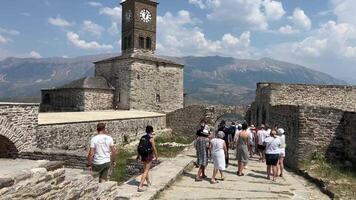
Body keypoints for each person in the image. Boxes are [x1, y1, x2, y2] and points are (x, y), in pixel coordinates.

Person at [137, 125, 158, 192]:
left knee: (145, 169)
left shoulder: (142, 137)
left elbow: (139, 147)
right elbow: (154, 148)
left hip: (143, 155)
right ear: (151, 131)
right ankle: (140, 186)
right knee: (146, 170)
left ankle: (148, 182)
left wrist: (138, 155)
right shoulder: (151, 138)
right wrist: (156, 156)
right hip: (148, 155)